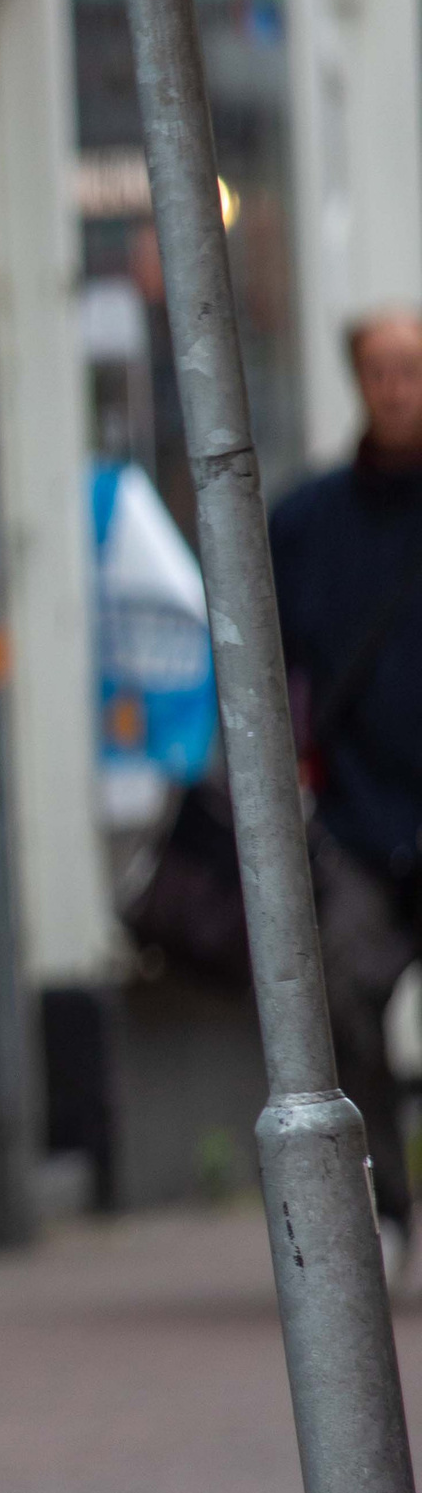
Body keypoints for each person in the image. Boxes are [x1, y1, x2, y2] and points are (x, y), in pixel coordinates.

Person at [271, 306, 422, 1279]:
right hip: (365, 824)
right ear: (354, 381)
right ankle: (391, 1199)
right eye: (380, 371)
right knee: (341, 1003)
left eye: (410, 370)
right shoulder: (307, 522)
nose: (396, 389)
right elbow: (271, 661)